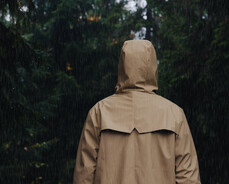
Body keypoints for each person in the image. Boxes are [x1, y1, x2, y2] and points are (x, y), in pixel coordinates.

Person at [73, 40, 201, 184]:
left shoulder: (99, 112)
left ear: (122, 66)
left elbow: (84, 176)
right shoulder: (174, 114)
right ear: (153, 66)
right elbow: (188, 178)